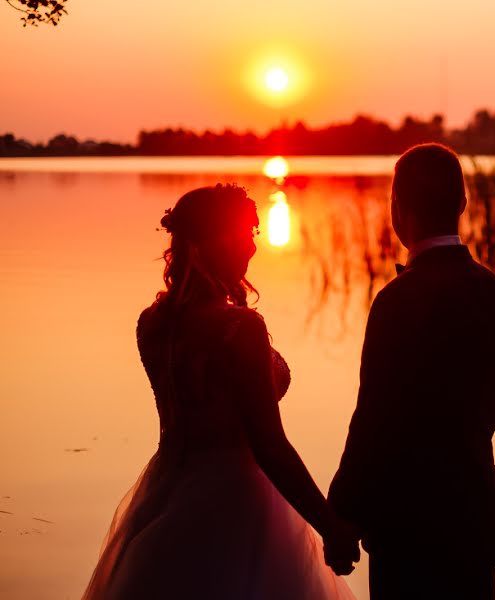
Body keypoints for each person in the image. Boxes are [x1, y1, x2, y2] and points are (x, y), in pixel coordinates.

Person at [81, 184, 359, 600]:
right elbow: (270, 445)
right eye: (247, 233)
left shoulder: (152, 323)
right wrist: (330, 527)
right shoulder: (240, 329)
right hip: (237, 507)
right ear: (218, 239)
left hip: (166, 496)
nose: (252, 246)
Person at [327, 143, 495, 599]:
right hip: (475, 516)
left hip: (408, 526)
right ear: (463, 204)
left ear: (398, 207)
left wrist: (340, 513)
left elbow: (373, 418)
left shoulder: (396, 300)